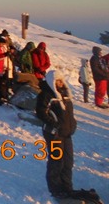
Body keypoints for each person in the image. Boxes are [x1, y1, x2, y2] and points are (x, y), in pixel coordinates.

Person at [36, 70, 77, 199]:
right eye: (57, 81)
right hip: (54, 133)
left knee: (68, 161)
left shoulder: (65, 94)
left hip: (66, 133)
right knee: (56, 161)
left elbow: (69, 113)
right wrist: (54, 124)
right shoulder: (46, 95)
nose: (60, 83)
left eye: (61, 80)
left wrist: (73, 124)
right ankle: (56, 188)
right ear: (51, 81)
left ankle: (67, 186)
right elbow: (40, 112)